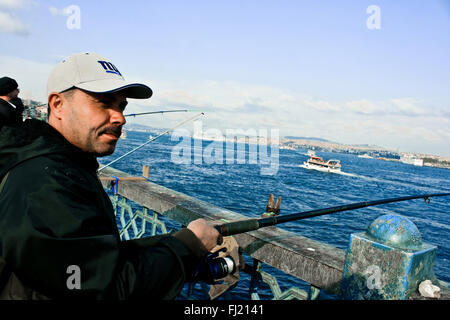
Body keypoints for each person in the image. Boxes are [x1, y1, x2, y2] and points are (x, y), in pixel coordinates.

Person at [0, 52, 221, 299]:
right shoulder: (44, 182)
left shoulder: (53, 165)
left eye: (121, 105)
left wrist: (174, 247)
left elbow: (88, 260)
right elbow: (102, 289)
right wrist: (190, 245)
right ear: (58, 105)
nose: (120, 117)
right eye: (104, 103)